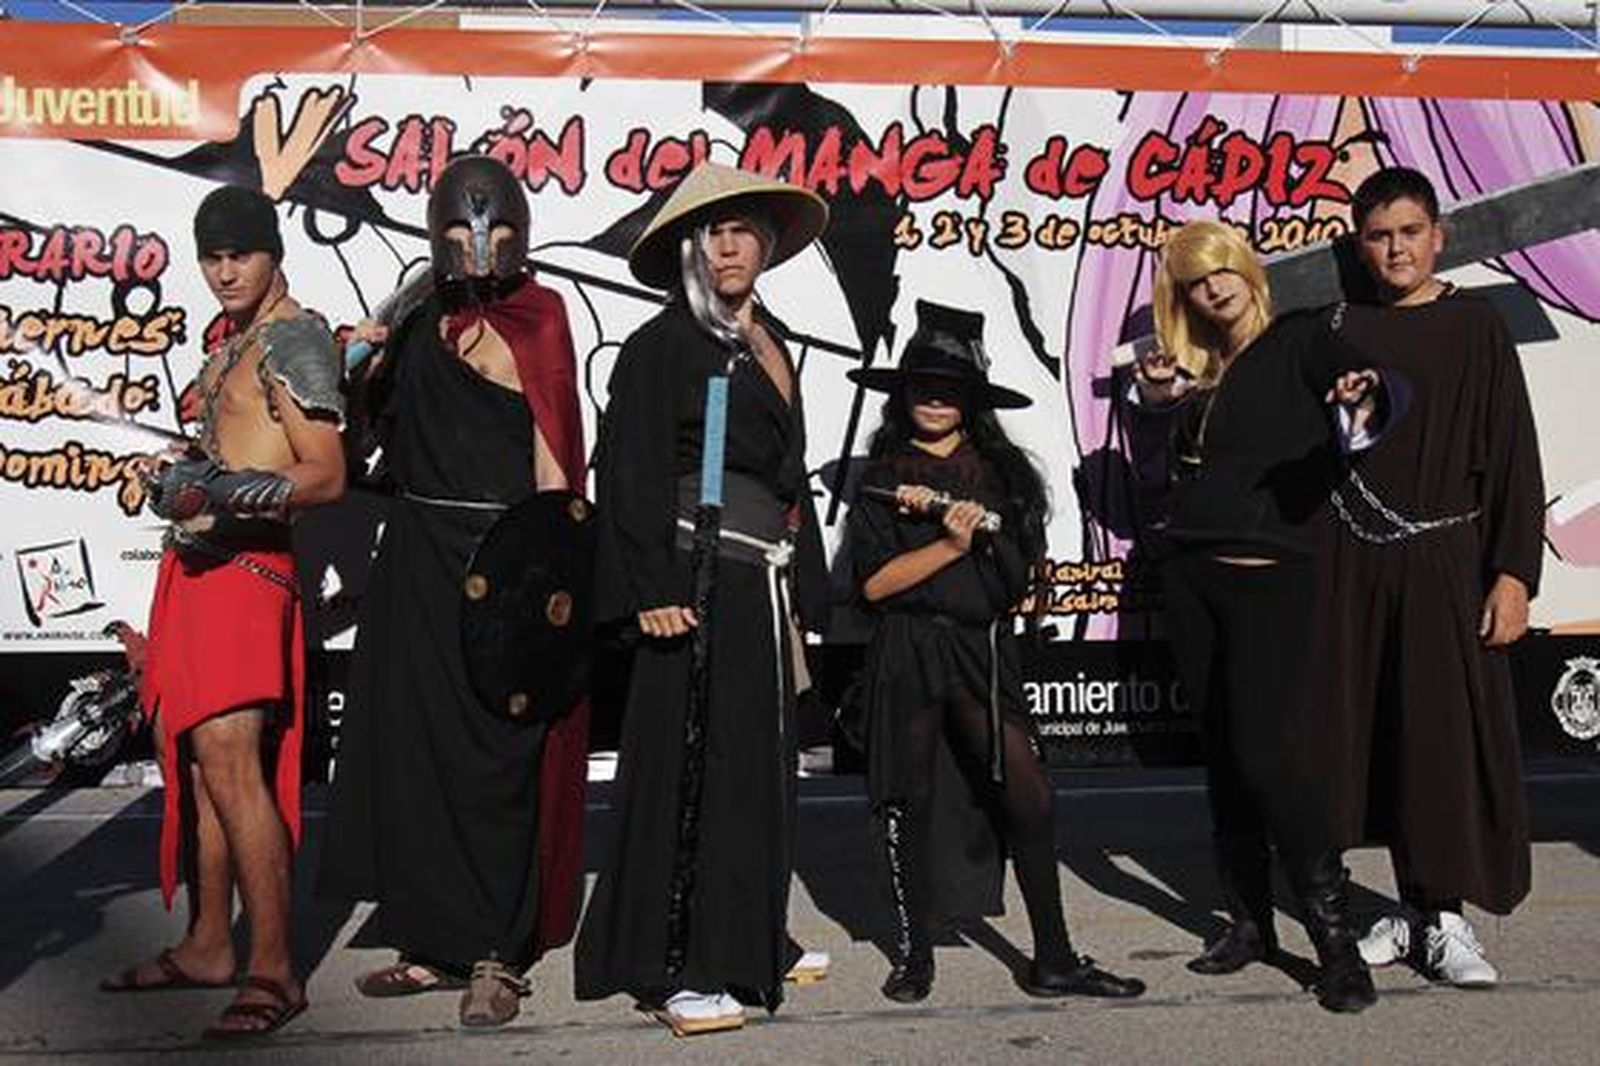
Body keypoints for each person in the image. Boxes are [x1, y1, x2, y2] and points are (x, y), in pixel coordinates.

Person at [318, 155, 590, 1028]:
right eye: (461, 232)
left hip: (501, 562)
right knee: (419, 757)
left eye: (495, 232)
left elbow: (555, 458)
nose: (477, 248)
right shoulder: (418, 318)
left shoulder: (541, 318)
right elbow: (369, 435)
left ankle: (497, 955)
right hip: (415, 562)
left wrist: (549, 585)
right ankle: (436, 942)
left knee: (498, 760)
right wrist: (355, 360)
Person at [574, 162, 830, 1036]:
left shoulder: (772, 336)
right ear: (689, 248)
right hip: (693, 577)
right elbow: (629, 468)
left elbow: (786, 477)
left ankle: (752, 933)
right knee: (692, 774)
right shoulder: (665, 344)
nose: (728, 245)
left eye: (742, 229)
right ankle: (677, 966)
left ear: (766, 243)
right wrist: (649, 586)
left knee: (757, 772)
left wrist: (801, 592)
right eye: (710, 232)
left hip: (760, 582)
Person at [846, 299, 1146, 1005]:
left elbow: (1015, 582)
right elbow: (875, 586)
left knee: (1029, 794)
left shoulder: (1004, 474)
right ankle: (915, 954)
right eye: (923, 385)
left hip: (981, 652)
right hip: (907, 651)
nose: (935, 399)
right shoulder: (882, 478)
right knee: (908, 799)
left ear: (971, 401)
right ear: (904, 393)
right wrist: (948, 544)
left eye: (950, 389)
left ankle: (1055, 957)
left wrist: (984, 538)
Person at [100, 185, 346, 1039]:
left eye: (240, 253)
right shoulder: (230, 345)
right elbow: (222, 453)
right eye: (211, 256)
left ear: (274, 252)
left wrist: (220, 489)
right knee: (199, 771)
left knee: (236, 773)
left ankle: (276, 971)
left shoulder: (296, 339)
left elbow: (326, 473)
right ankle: (209, 944)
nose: (225, 270)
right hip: (197, 573)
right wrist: (179, 474)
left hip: (248, 573)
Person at [1136, 219, 1388, 1013]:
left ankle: (1336, 944)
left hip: (1268, 578)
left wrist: (1361, 398)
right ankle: (1249, 926)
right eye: (1193, 281)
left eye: (1219, 271)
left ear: (1246, 268)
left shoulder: (1304, 339)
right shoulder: (1205, 377)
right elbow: (1165, 474)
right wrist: (1155, 403)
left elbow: (1372, 408)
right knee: (1223, 754)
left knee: (1270, 753)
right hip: (1190, 577)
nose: (1211, 288)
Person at [1315, 167, 1545, 988]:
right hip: (1353, 559)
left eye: (1409, 231)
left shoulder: (1476, 325)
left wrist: (1513, 572)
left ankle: (1446, 918)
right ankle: (1404, 915)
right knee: (1370, 738)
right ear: (1359, 244)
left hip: (1447, 558)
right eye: (1379, 236)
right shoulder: (1338, 325)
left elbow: (1514, 454)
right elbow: (1324, 454)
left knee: (1442, 738)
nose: (1396, 249)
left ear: (1438, 234)